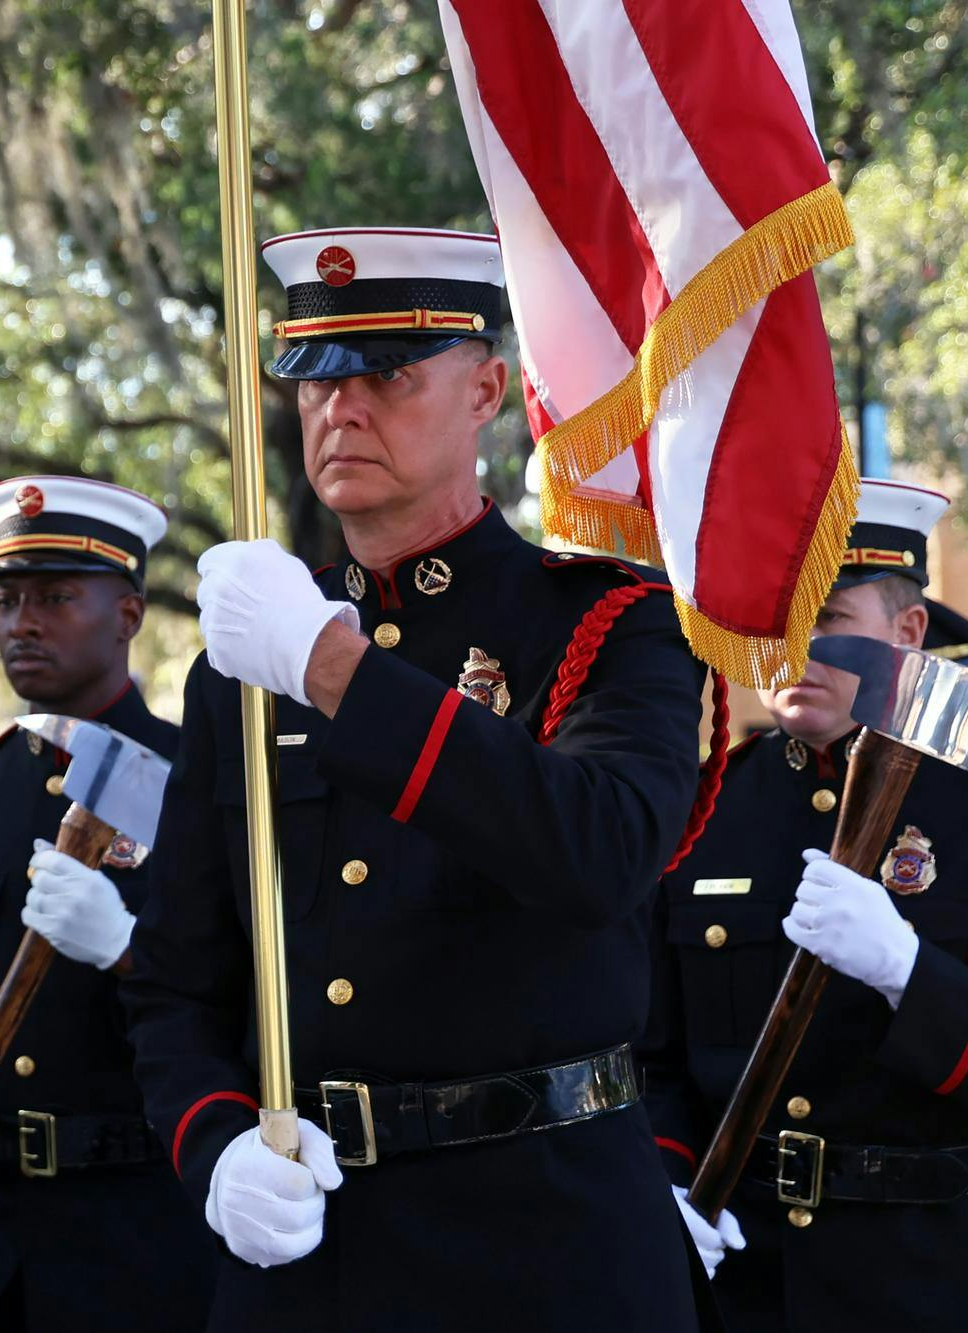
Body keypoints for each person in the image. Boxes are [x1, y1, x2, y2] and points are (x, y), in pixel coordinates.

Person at [119, 227, 715, 1329]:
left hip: (545, 1242)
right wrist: (213, 1148)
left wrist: (332, 668)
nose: (340, 407)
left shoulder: (603, 625)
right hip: (311, 1249)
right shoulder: (244, 662)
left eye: (386, 374)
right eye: (314, 376)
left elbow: (601, 851)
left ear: (484, 387)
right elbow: (173, 982)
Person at [641, 478, 968, 1331]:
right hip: (755, 1281)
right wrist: (668, 1181)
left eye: (828, 619)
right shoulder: (707, 806)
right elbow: (656, 1055)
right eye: (774, 618)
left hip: (945, 1279)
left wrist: (909, 974)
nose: (794, 647)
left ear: (908, 632)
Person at [0, 476, 213, 1332]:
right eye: (11, 598)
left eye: (57, 597)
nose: (22, 621)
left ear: (129, 614)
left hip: (139, 1238)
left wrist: (130, 948)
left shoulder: (203, 787)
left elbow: (251, 999)